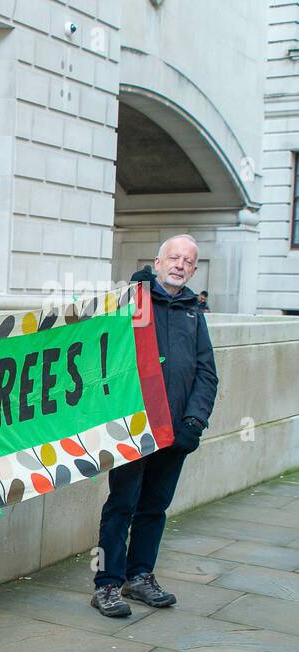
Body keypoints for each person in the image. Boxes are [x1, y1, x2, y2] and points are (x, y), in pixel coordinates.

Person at [92, 235, 218, 617]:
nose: (180, 265)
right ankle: (107, 585)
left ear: (194, 269)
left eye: (188, 261)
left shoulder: (194, 312)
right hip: (134, 429)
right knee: (121, 506)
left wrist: (193, 422)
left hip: (177, 431)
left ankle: (140, 577)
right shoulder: (129, 303)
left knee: (154, 507)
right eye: (173, 258)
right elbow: (102, 359)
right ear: (157, 262)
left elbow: (206, 373)